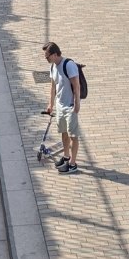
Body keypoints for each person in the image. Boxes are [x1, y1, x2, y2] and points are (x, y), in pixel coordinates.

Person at [43, 41, 81, 174]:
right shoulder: (53, 67)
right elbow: (53, 87)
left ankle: (72, 164)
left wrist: (76, 104)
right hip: (60, 105)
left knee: (73, 136)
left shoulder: (68, 65)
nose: (46, 58)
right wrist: (51, 104)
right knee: (64, 133)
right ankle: (66, 157)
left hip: (70, 106)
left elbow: (76, 86)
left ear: (54, 54)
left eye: (47, 56)